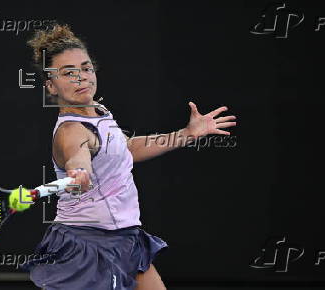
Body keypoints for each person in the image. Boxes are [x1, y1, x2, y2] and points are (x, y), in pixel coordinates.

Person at [13, 23, 236, 290]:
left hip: (124, 236)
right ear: (51, 85)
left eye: (85, 68)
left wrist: (187, 134)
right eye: (68, 73)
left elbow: (124, 149)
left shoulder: (97, 110)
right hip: (86, 244)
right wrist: (78, 172)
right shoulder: (71, 131)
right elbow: (77, 158)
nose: (81, 77)